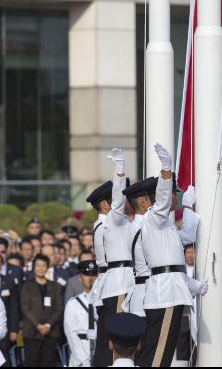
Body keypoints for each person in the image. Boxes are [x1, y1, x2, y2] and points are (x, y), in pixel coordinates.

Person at [136, 144, 207, 367]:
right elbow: (164, 200)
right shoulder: (153, 218)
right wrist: (166, 170)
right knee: (160, 352)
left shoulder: (164, 224)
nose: (175, 197)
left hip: (171, 289)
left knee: (161, 350)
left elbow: (187, 236)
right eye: (175, 194)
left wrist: (188, 207)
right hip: (165, 293)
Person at [95, 148, 134, 366]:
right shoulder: (113, 220)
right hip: (119, 282)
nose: (127, 199)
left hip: (121, 281)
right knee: (117, 339)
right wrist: (120, 172)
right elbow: (118, 202)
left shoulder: (123, 221)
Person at [84, 177, 114, 366]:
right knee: (108, 339)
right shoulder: (105, 226)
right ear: (104, 205)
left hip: (108, 283)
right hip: (111, 283)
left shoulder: (103, 225)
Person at [20, 254, 64, 367]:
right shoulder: (27, 286)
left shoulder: (54, 286)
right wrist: (38, 325)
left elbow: (59, 308)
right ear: (34, 267)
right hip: (32, 332)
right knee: (31, 363)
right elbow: (25, 307)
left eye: (43, 265)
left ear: (47, 267)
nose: (40, 268)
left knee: (48, 362)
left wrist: (48, 325)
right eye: (38, 265)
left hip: (51, 332)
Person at [63, 260, 99, 367]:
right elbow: (71, 334)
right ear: (80, 278)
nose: (91, 278)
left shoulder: (103, 302)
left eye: (94, 274)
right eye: (87, 274)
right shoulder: (73, 304)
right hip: (79, 358)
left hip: (100, 353)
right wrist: (83, 360)